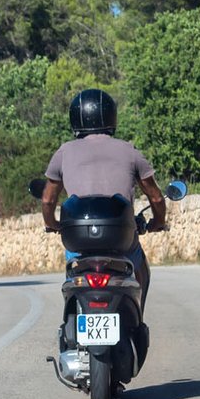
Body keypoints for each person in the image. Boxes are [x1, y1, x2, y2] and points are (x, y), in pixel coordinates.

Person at [40, 88, 166, 309]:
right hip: (122, 240)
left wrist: (53, 224)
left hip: (78, 241)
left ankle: (74, 307)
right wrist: (158, 222)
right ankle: (138, 319)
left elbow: (48, 201)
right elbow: (155, 197)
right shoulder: (129, 151)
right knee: (141, 268)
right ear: (111, 116)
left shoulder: (64, 152)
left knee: (73, 270)